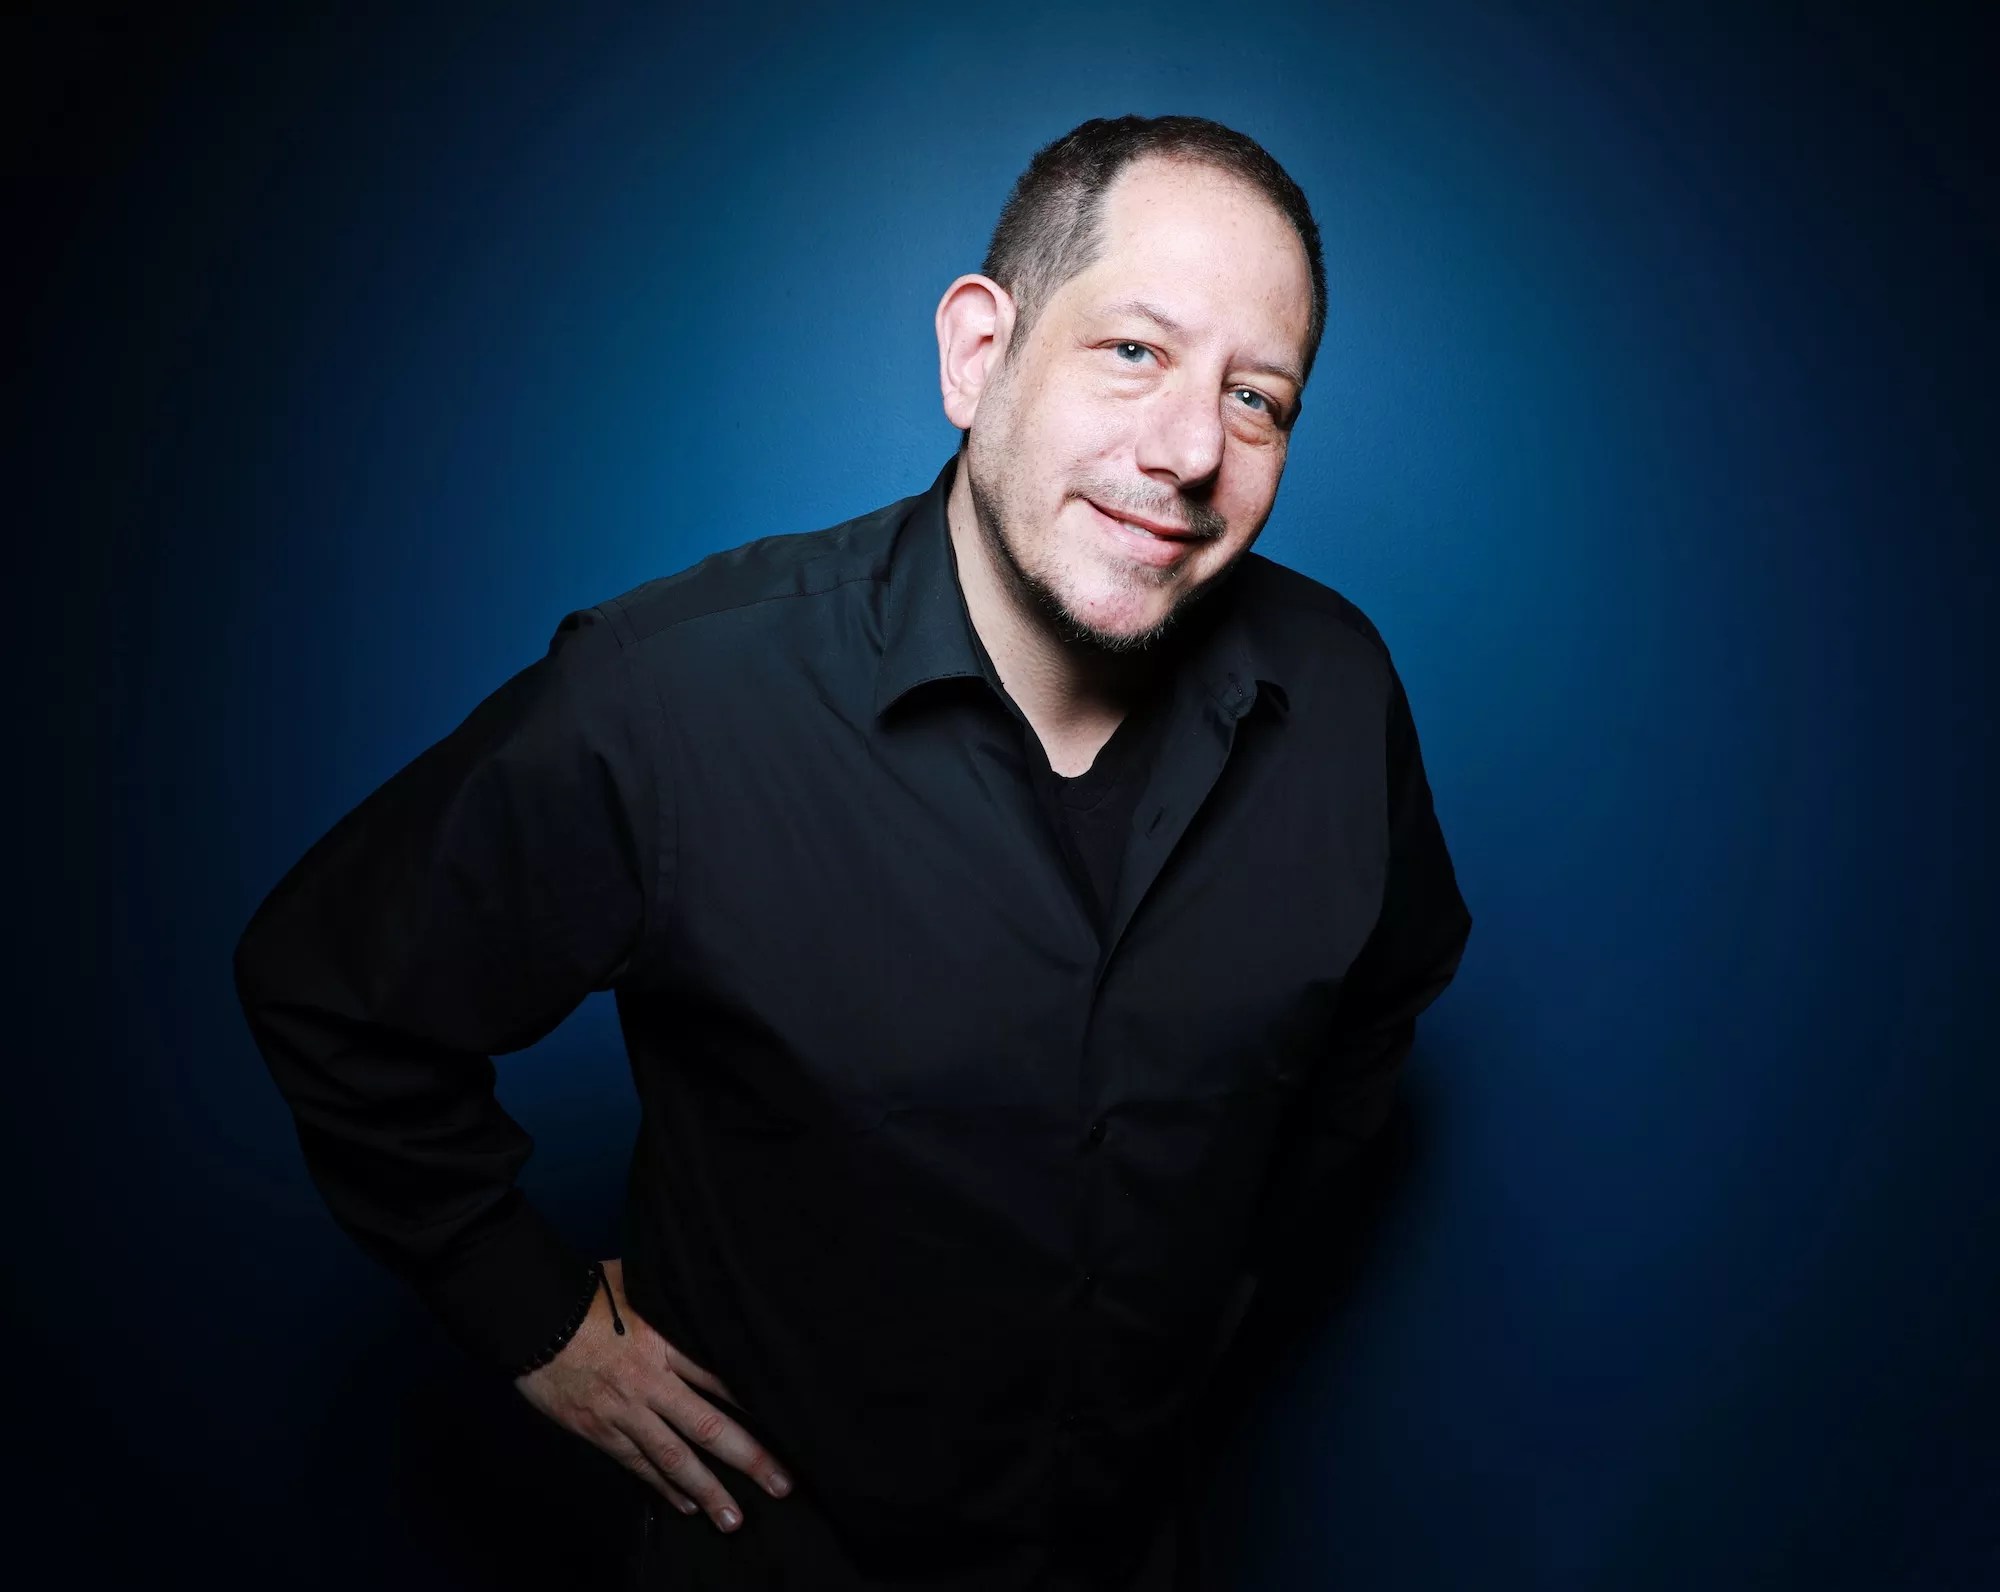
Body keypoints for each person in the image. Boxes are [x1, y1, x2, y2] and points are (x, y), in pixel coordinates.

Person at [233, 113, 1473, 1591]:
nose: (1190, 449)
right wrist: (528, 1314)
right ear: (978, 353)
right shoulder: (672, 699)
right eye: (1134, 351)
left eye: (1255, 398)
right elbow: (332, 992)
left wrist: (1225, 1283)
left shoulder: (1338, 695)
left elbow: (1385, 1004)